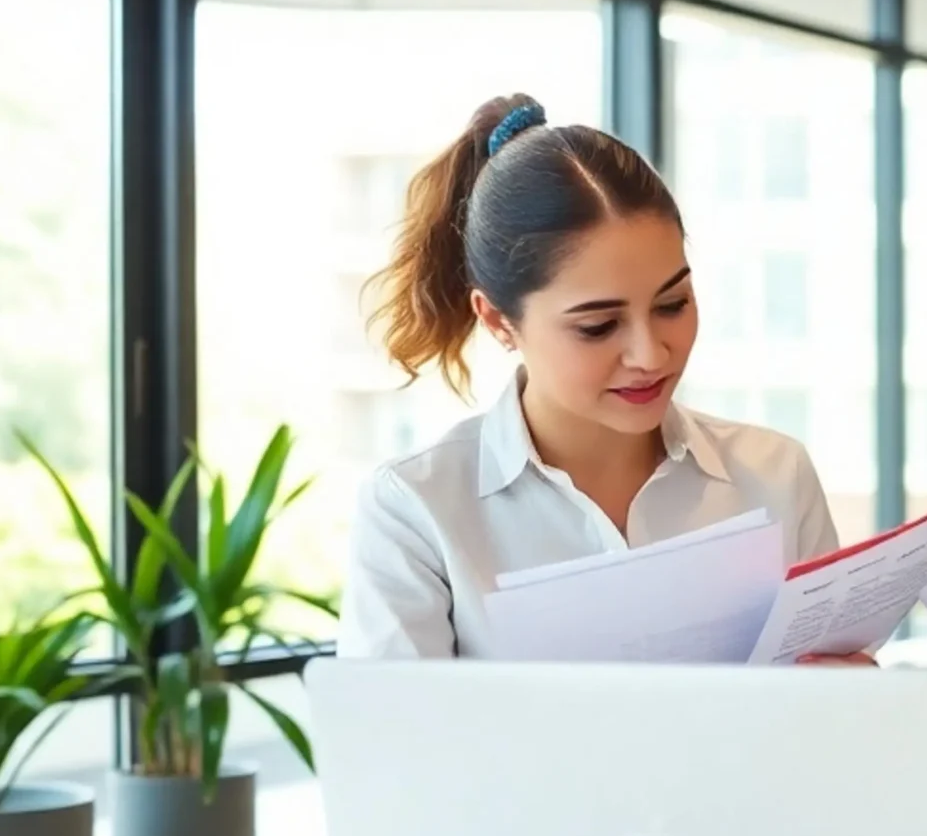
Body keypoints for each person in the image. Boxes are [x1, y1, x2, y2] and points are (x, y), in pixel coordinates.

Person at [338, 94, 838, 659]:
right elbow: (390, 740)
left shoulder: (776, 476)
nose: (650, 355)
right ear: (499, 321)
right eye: (599, 327)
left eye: (673, 304)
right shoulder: (417, 509)